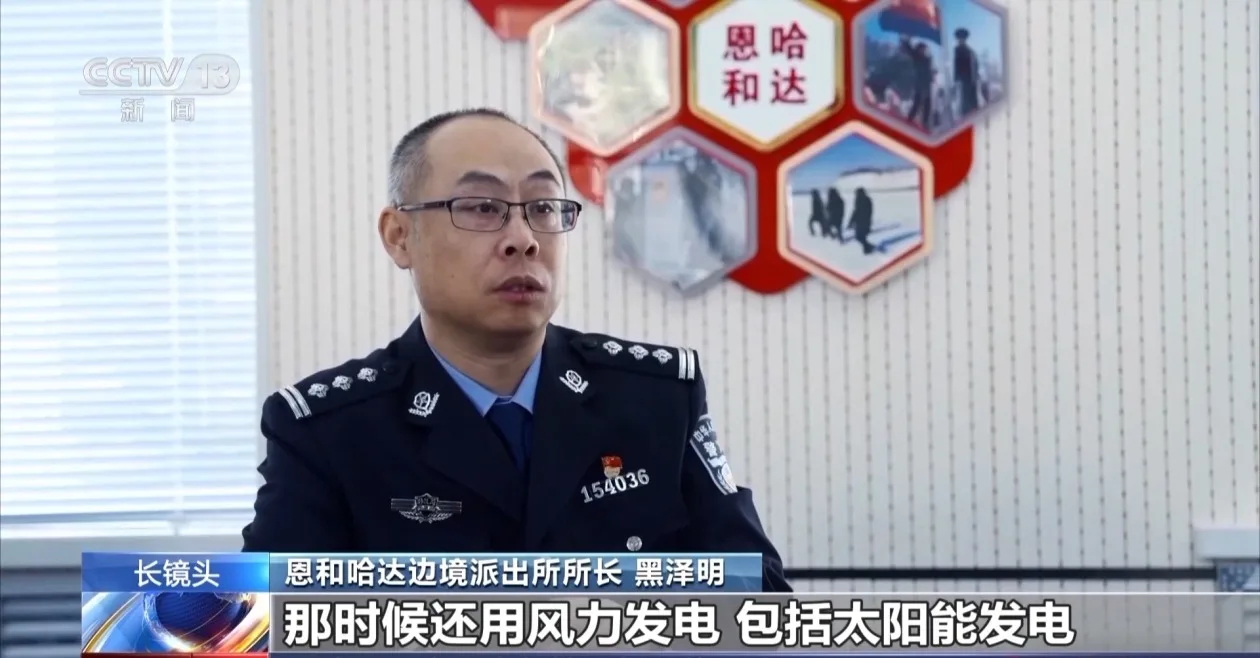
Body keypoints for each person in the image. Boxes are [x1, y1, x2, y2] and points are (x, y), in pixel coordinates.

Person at [241, 108, 791, 591]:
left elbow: (760, 600)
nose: (524, 238)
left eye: (543, 207)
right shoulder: (328, 431)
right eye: (482, 207)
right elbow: (256, 632)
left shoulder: (656, 398)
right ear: (399, 236)